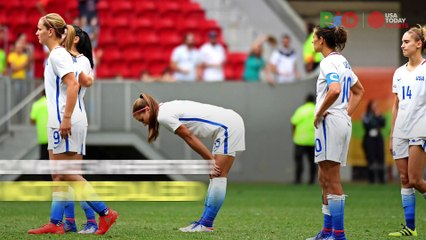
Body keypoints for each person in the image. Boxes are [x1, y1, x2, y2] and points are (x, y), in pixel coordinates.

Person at [28, 13, 117, 235]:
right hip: (64, 117)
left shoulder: (58, 55)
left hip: (64, 118)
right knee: (59, 175)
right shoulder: (60, 55)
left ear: (50, 31)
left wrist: (65, 119)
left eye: (39, 28)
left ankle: (104, 213)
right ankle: (57, 222)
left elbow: (73, 85)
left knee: (65, 173)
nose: (36, 32)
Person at [132, 93, 245, 232]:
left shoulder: (163, 116)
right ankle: (204, 223)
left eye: (141, 119)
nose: (143, 123)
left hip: (228, 126)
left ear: (147, 109)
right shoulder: (164, 108)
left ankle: (206, 224)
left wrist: (210, 161)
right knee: (216, 176)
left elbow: (188, 136)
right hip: (229, 122)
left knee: (218, 175)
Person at [306, 24, 364, 240]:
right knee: (324, 178)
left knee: (332, 179)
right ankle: (327, 231)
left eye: (314, 37)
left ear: (322, 40)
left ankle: (338, 235)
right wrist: (345, 113)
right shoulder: (343, 61)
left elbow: (335, 89)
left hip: (330, 122)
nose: (311, 41)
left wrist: (320, 112)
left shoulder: (329, 62)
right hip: (337, 121)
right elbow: (359, 91)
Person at [388, 24, 426, 237]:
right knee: (404, 180)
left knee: (415, 180)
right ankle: (410, 228)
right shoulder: (399, 73)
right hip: (401, 130)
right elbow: (396, 104)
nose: (402, 45)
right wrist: (392, 135)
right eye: (402, 41)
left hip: (420, 128)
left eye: (406, 41)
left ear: (418, 44)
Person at [61, 24, 98, 234]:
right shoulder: (59, 56)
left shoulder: (81, 60)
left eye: (66, 32)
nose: (62, 34)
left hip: (73, 116)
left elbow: (86, 81)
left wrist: (88, 80)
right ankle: (69, 221)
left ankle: (93, 220)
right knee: (64, 175)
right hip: (62, 117)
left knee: (72, 173)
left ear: (75, 39)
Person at [290, 93, 316, 184]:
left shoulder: (301, 110)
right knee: (312, 162)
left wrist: (293, 135)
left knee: (299, 161)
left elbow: (293, 122)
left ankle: (298, 180)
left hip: (300, 139)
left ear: (305, 100)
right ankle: (312, 180)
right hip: (313, 140)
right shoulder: (317, 109)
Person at [362, 100, 385, 184]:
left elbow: (383, 124)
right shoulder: (366, 115)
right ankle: (371, 179)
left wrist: (378, 116)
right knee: (371, 158)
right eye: (373, 105)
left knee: (380, 158)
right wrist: (373, 118)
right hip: (369, 138)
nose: (375, 107)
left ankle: (381, 179)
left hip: (378, 138)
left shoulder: (379, 114)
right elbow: (365, 124)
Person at [7, 39, 29, 123]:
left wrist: (18, 66)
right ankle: (15, 120)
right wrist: (21, 66)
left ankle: (21, 119)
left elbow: (26, 66)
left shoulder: (24, 56)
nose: (19, 49)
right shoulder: (11, 55)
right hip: (15, 81)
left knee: (23, 100)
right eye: (18, 47)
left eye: (21, 47)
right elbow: (13, 68)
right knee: (16, 100)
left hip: (23, 80)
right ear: (15, 48)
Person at [30, 91, 49, 160]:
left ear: (42, 94)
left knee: (43, 159)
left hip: (43, 137)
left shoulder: (37, 104)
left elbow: (32, 121)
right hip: (55, 136)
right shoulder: (55, 103)